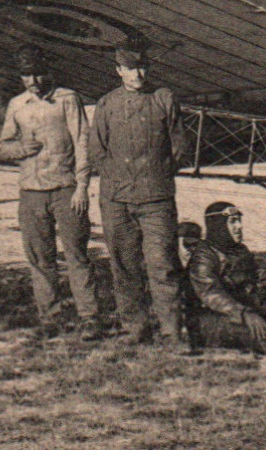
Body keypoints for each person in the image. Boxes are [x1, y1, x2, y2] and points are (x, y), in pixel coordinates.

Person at [0, 45, 103, 339]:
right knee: (40, 258)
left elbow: (82, 141)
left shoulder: (67, 99)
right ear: (22, 78)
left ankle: (89, 316)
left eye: (39, 74)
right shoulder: (17, 105)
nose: (34, 82)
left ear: (48, 73)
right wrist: (19, 149)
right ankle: (51, 318)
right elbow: (3, 145)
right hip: (31, 191)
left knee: (77, 254)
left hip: (66, 189)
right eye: (28, 76)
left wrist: (82, 186)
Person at [89, 43, 192, 349]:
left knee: (162, 264)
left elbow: (179, 146)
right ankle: (135, 327)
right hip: (117, 200)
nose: (138, 74)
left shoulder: (163, 98)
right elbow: (97, 150)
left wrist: (156, 175)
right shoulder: (106, 104)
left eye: (143, 67)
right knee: (124, 265)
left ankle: (172, 332)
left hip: (156, 199)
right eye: (131, 68)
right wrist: (119, 182)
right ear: (118, 70)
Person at [186, 202, 266, 358]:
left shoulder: (239, 250)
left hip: (241, 313)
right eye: (233, 222)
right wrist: (244, 313)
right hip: (210, 318)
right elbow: (211, 294)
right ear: (218, 225)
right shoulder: (204, 256)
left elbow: (261, 276)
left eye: (239, 221)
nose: (239, 226)